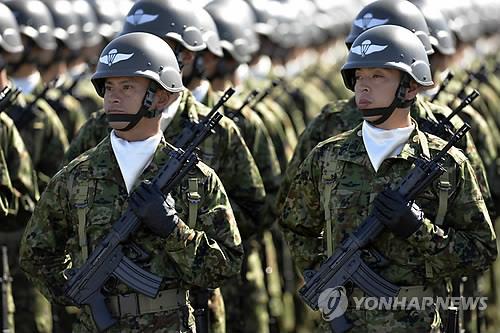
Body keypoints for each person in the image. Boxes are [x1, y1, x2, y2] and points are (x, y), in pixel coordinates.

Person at [19, 31, 244, 333]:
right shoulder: (75, 176)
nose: (113, 96)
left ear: (160, 96)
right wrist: (78, 289)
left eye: (127, 86)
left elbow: (227, 263)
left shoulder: (196, 178)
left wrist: (173, 230)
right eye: (108, 87)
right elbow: (36, 254)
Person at [280, 25, 497, 332]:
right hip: (343, 324)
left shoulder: (448, 163)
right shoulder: (326, 156)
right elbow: (295, 226)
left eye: (378, 76)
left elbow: (482, 251)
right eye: (359, 77)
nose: (363, 87)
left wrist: (419, 230)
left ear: (409, 87)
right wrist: (329, 278)